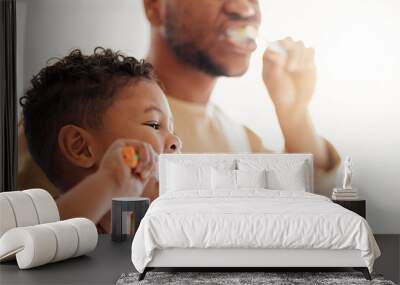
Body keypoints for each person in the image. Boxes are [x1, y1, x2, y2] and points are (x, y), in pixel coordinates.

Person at [141, 0, 340, 196]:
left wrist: (295, 117)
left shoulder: (241, 140)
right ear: (155, 6)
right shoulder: (119, 125)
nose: (244, 8)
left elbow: (310, 201)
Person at [19, 48, 180, 232]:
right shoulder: (61, 221)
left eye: (172, 129)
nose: (175, 140)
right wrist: (111, 181)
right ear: (81, 147)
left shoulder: (159, 226)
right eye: (153, 125)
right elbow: (43, 238)